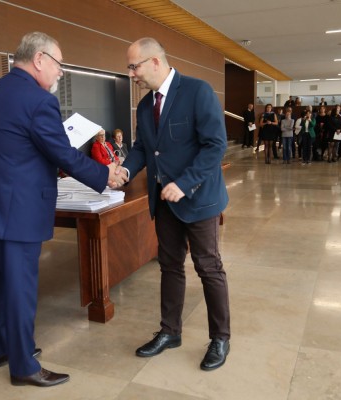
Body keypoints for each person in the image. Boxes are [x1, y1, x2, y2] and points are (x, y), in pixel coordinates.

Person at [0, 32, 127, 387]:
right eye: (59, 64)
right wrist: (103, 174)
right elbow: (60, 152)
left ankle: (0, 348)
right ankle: (23, 367)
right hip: (16, 210)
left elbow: (11, 148)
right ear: (39, 59)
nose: (61, 73)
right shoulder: (38, 101)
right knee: (20, 288)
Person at [119, 37, 230, 371]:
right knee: (169, 266)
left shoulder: (197, 91)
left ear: (155, 62)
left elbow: (215, 145)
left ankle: (220, 337)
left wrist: (184, 183)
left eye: (133, 66)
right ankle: (170, 331)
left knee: (208, 266)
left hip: (199, 199)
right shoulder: (144, 105)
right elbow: (143, 147)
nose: (131, 74)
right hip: (163, 202)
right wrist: (125, 169)